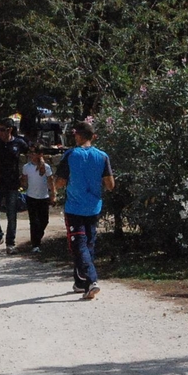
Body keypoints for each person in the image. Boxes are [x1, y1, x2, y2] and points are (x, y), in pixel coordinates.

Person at [54, 121, 114, 301]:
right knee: (88, 243)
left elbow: (60, 182)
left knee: (78, 244)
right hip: (94, 207)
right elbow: (110, 185)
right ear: (93, 136)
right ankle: (80, 282)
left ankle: (92, 281)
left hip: (74, 207)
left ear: (78, 136)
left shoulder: (70, 155)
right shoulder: (103, 156)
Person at [0, 117, 29, 255]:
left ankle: (11, 242)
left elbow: (31, 153)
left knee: (12, 214)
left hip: (12, 184)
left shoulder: (19, 143)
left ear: (10, 130)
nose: (0, 132)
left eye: (3, 130)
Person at [21, 144, 56, 253]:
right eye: (30, 153)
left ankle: (37, 237)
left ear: (40, 154)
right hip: (31, 197)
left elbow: (51, 181)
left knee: (44, 220)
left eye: (34, 153)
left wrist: (53, 195)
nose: (31, 155)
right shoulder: (26, 167)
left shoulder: (46, 167)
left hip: (43, 197)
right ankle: (35, 244)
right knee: (34, 221)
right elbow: (24, 180)